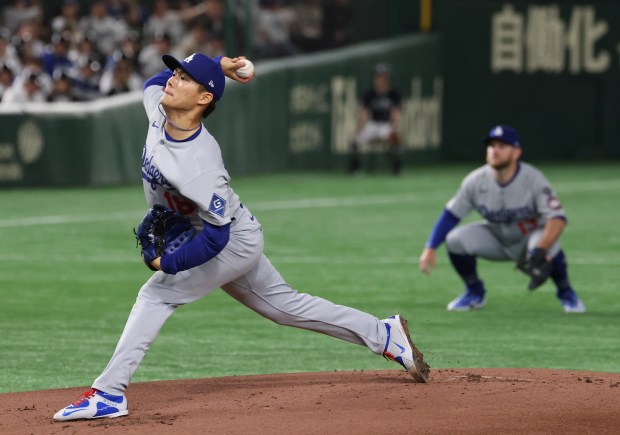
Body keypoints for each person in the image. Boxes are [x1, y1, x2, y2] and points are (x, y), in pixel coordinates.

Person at [52, 51, 429, 422]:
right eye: (176, 72)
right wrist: (219, 65)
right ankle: (383, 334)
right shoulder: (159, 108)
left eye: (184, 77)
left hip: (232, 240)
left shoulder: (200, 163)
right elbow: (152, 83)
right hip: (219, 229)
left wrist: (167, 262)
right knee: (284, 307)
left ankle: (109, 393)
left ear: (203, 99)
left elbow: (217, 237)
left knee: (157, 293)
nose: (172, 79)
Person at [418, 125, 586, 314]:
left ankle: (566, 293)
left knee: (547, 241)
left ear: (516, 152)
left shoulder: (533, 179)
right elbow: (451, 214)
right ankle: (475, 293)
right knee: (455, 239)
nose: (494, 150)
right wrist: (430, 246)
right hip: (496, 238)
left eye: (502, 146)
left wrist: (541, 249)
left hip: (529, 239)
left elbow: (557, 218)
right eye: (491, 145)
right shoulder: (475, 180)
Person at [349, 63, 403, 175]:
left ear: (387, 78)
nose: (380, 80)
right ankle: (355, 169)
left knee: (395, 138)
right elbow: (362, 112)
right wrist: (360, 128)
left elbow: (395, 113)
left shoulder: (394, 94)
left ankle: (397, 168)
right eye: (378, 77)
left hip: (386, 125)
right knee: (355, 139)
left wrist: (394, 127)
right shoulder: (369, 94)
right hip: (373, 124)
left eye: (382, 77)